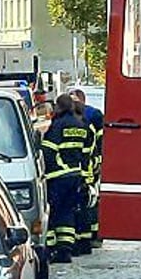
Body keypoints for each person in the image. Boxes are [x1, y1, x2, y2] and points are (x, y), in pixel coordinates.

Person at [41, 94, 89, 263]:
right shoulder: (80, 125)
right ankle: (65, 250)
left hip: (58, 176)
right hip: (76, 175)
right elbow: (84, 153)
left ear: (59, 107)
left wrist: (46, 171)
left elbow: (48, 150)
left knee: (53, 212)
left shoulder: (58, 125)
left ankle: (51, 248)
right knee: (67, 212)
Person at [70, 88, 104, 249]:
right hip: (86, 168)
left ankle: (92, 235)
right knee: (88, 202)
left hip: (82, 169)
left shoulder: (92, 117)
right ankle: (89, 236)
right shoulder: (90, 119)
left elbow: (97, 144)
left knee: (89, 201)